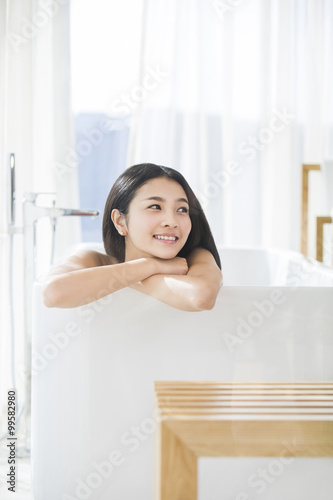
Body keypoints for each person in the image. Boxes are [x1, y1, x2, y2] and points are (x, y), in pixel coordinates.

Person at [42, 163, 223, 311]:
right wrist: (150, 265)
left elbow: (201, 297)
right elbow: (53, 293)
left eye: (182, 210)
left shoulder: (196, 258)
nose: (172, 221)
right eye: (155, 207)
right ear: (120, 221)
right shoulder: (92, 259)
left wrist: (131, 276)